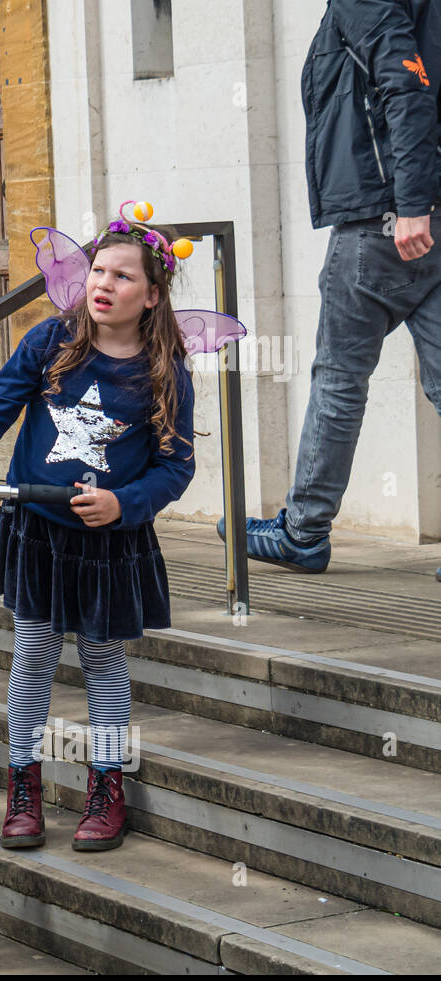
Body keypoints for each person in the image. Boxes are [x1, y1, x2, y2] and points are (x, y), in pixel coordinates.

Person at [0, 217, 195, 851]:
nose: (104, 284)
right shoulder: (50, 341)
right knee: (35, 654)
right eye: (99, 270)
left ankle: (106, 786)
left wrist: (124, 503)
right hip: (38, 528)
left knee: (103, 659)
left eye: (123, 276)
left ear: (151, 295)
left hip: (108, 541)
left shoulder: (163, 371)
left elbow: (176, 465)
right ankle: (22, 785)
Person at [228, 0, 441, 577]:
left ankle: (304, 530)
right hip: (419, 215)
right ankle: (301, 524)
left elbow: (406, 83)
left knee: (340, 378)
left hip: (384, 220)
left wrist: (412, 205)